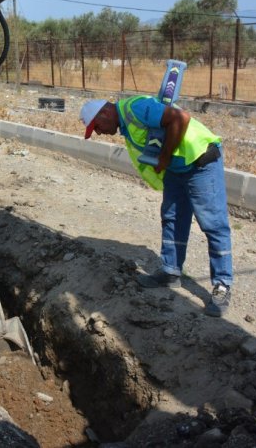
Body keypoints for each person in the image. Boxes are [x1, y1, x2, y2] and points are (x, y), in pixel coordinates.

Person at [79, 96, 233, 317]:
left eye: (97, 127)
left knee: (213, 223)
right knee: (171, 216)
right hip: (177, 167)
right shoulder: (125, 123)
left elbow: (181, 118)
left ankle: (222, 285)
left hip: (200, 161)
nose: (99, 133)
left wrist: (164, 157)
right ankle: (171, 271)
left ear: (104, 113)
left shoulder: (135, 107)